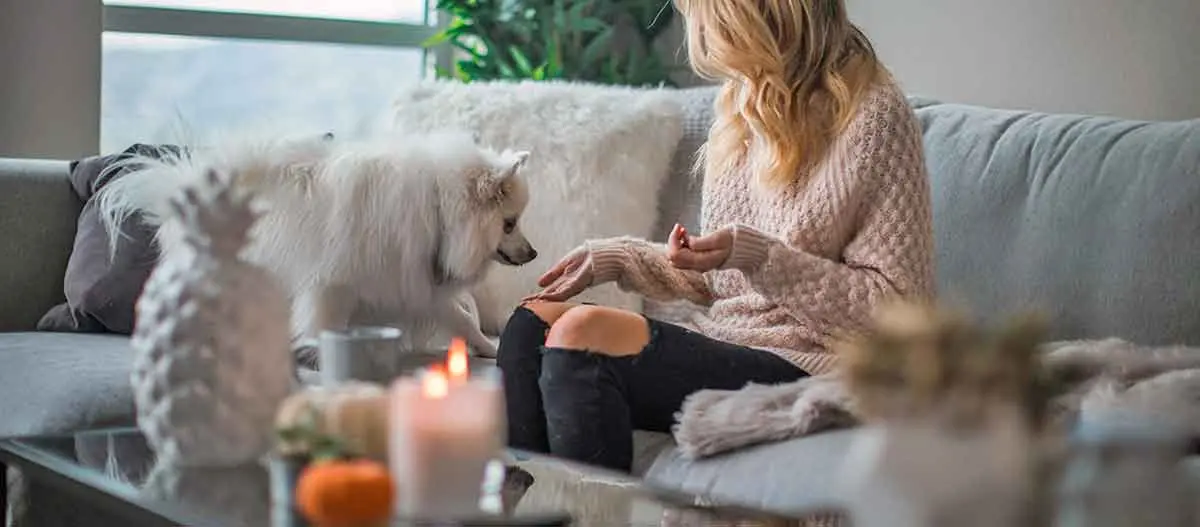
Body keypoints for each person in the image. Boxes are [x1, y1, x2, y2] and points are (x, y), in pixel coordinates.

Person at [497, 0, 935, 472]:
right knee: (529, 326)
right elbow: (721, 277)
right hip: (729, 340)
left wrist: (759, 257)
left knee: (582, 336)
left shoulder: (874, 117)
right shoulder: (740, 101)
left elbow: (899, 317)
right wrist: (620, 258)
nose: (699, 33)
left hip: (812, 361)